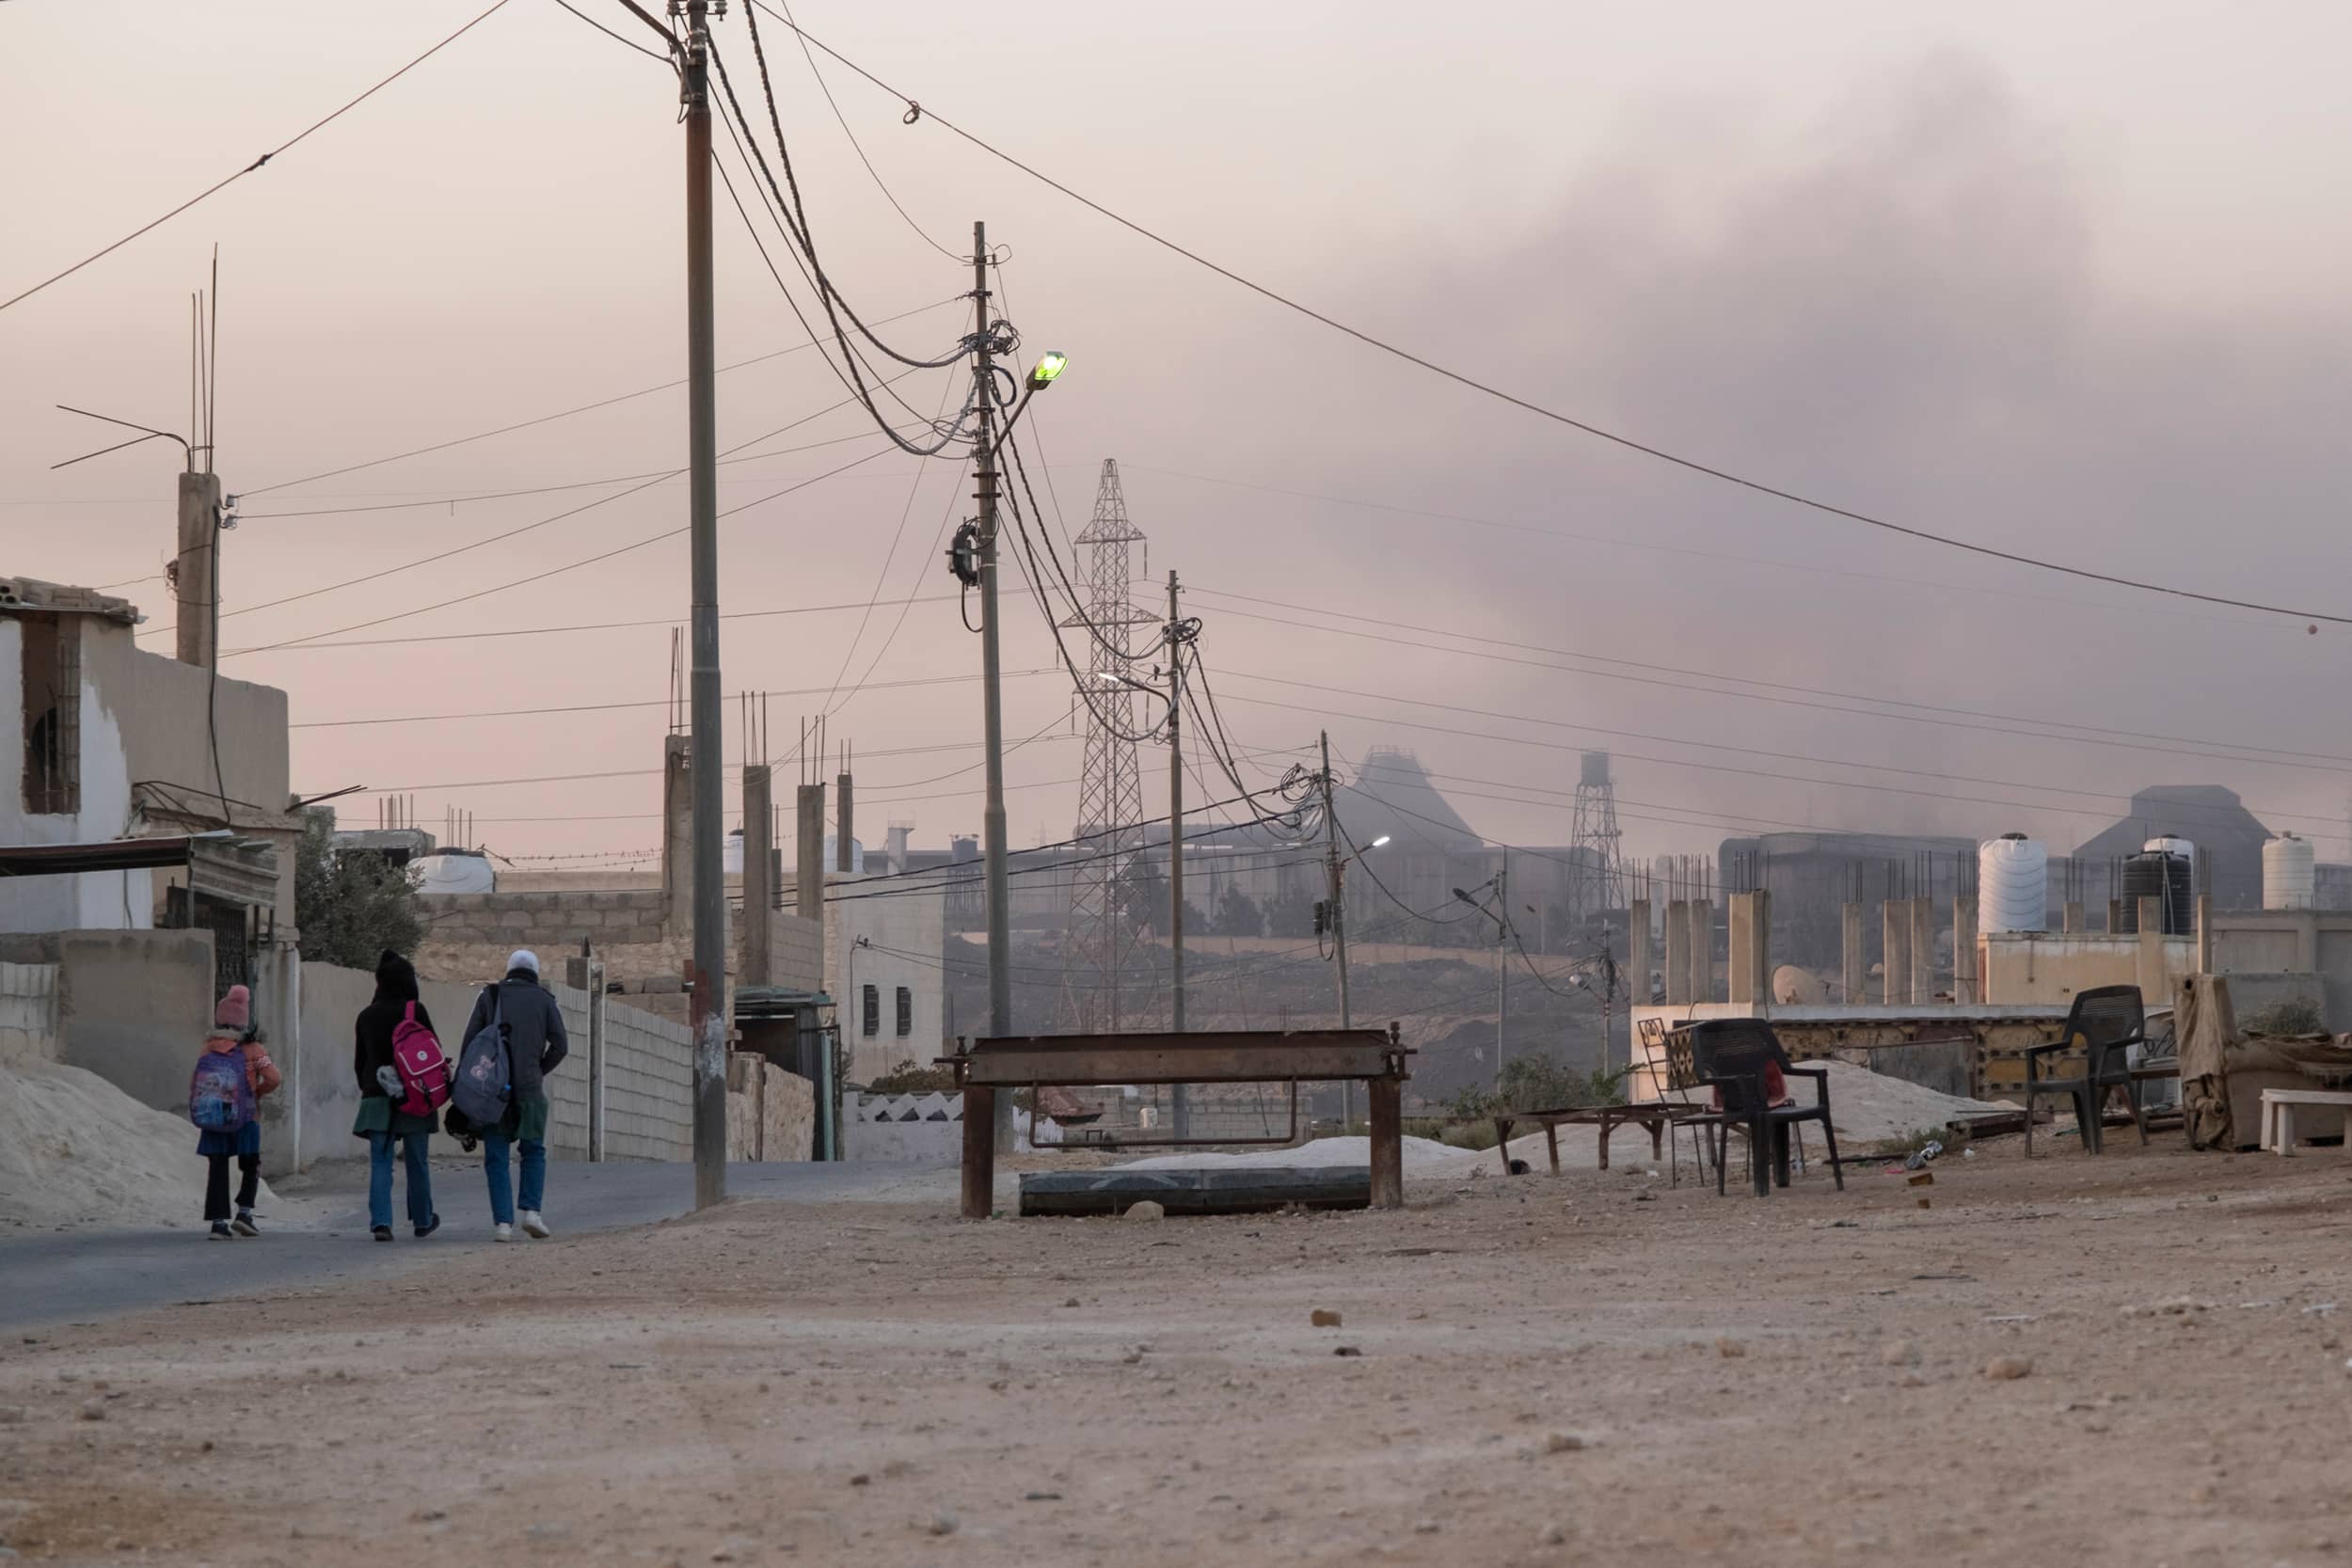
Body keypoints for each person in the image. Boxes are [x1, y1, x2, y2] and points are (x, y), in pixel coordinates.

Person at [462, 949, 568, 1243]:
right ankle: (532, 1213)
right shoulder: (545, 1000)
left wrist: (473, 1082)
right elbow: (561, 1046)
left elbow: (470, 1043)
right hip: (530, 1091)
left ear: (509, 969)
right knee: (533, 1151)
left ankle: (503, 1224)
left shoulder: (490, 996)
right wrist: (538, 1070)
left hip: (493, 1092)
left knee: (496, 1157)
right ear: (535, 971)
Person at [353, 950, 441, 1243]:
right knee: (417, 1161)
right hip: (415, 1096)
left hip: (376, 1097)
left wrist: (370, 1089)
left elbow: (360, 1063)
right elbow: (432, 1054)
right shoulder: (415, 1011)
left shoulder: (366, 1016)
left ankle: (381, 1222)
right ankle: (423, 1220)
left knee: (380, 1161)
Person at [196, 985, 278, 1240]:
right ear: (243, 1020)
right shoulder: (254, 1049)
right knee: (251, 1164)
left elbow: (198, 1080)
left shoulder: (208, 1047)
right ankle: (244, 1213)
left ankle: (218, 1223)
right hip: (246, 1116)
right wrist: (257, 1092)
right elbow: (274, 1078)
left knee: (218, 1167)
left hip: (214, 1116)